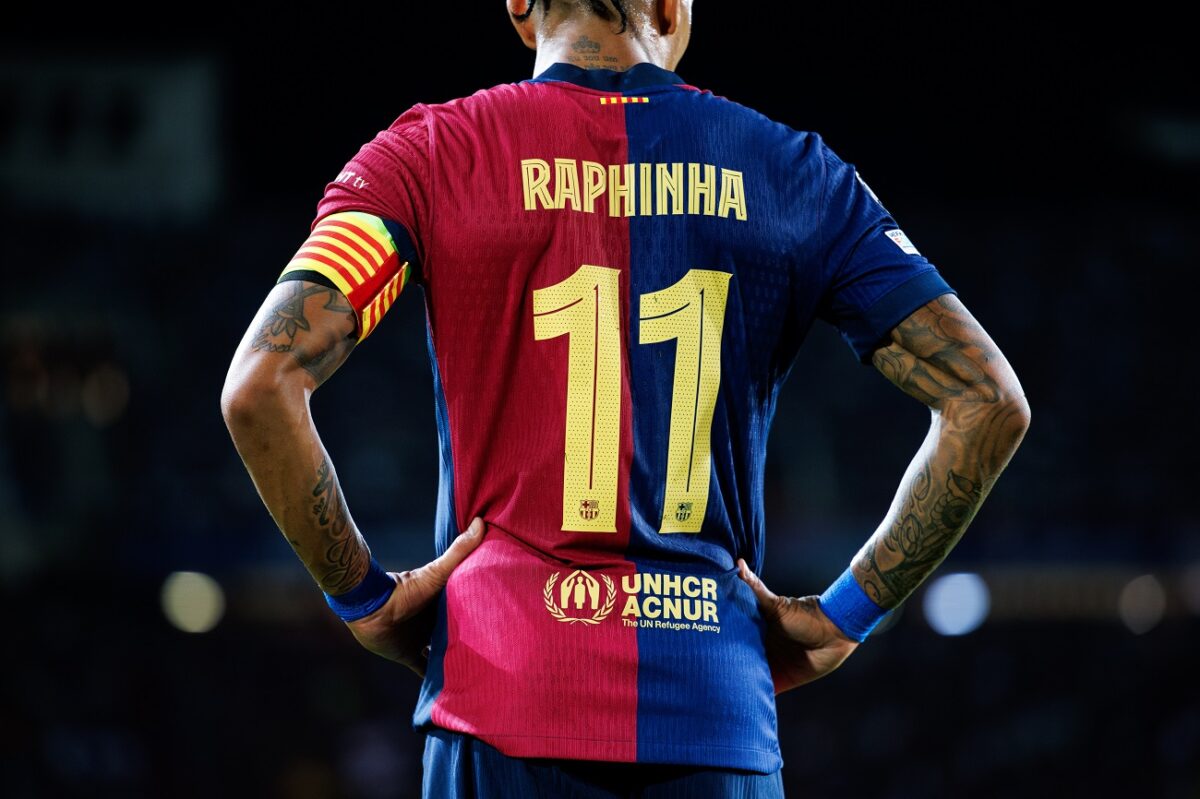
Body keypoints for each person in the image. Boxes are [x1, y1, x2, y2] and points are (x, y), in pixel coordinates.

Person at [221, 0, 1031, 795]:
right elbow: (987, 399)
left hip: (498, 696)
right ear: (672, 9)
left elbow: (260, 384)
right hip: (716, 705)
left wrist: (364, 597)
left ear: (520, 8)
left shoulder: (430, 154)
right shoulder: (794, 172)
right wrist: (845, 614)